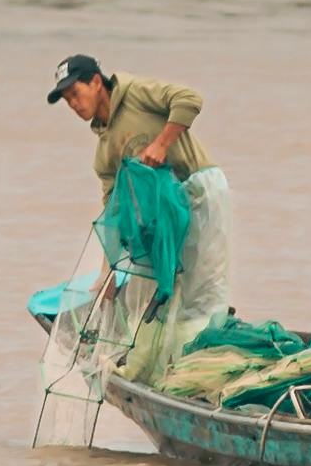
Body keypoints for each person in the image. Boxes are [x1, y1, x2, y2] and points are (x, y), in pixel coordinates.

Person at [46, 53, 234, 329]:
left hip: (199, 191)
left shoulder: (134, 92)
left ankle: (210, 339)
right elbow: (114, 211)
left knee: (203, 287)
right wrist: (107, 270)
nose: (73, 104)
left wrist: (161, 144)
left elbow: (189, 99)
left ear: (96, 82)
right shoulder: (104, 153)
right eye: (67, 100)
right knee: (155, 296)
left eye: (75, 93)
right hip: (165, 219)